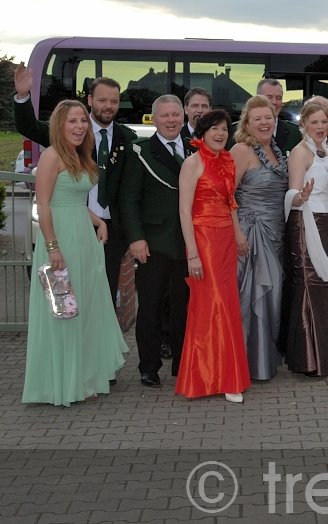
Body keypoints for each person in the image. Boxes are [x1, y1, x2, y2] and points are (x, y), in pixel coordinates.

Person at [22, 101, 129, 406]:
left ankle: (82, 379)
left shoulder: (80, 155)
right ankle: (62, 384)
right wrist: (53, 247)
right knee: (64, 310)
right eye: (72, 121)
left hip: (83, 239)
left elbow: (76, 201)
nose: (80, 126)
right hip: (61, 242)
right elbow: (44, 205)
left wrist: (98, 222)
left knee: (85, 308)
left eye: (83, 120)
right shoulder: (52, 156)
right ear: (60, 124)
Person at [13, 66, 135, 307]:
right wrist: (23, 96)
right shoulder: (67, 134)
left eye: (114, 101)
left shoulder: (128, 138)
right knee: (68, 299)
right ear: (90, 100)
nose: (108, 106)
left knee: (102, 298)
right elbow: (29, 127)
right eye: (102, 100)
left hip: (109, 232)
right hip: (69, 230)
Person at [176, 109, 250, 402]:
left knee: (227, 304)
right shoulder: (192, 163)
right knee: (212, 304)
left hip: (227, 240)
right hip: (203, 241)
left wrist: (239, 233)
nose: (220, 134)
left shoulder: (227, 160)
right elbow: (184, 211)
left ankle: (227, 376)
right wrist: (192, 254)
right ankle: (211, 377)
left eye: (224, 129)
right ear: (203, 132)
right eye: (214, 129)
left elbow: (230, 202)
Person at [120, 95, 193, 388]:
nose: (171, 120)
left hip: (187, 243)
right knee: (150, 307)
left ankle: (182, 364)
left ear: (183, 117)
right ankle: (148, 367)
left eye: (176, 114)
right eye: (165, 115)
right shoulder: (141, 151)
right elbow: (129, 199)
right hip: (153, 242)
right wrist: (136, 237)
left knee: (183, 307)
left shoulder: (194, 148)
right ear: (154, 119)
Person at [284, 100, 328, 377]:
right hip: (307, 222)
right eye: (314, 122)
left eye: (324, 122)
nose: (320, 126)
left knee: (327, 287)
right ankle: (309, 359)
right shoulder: (300, 152)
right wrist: (300, 197)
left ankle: (325, 356)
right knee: (311, 284)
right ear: (303, 124)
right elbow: (292, 192)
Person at [231, 95, 288, 380]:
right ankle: (245, 364)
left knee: (272, 297)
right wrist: (237, 232)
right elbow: (225, 194)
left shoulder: (276, 150)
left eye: (268, 117)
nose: (264, 123)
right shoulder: (241, 150)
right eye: (258, 119)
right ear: (247, 123)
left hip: (276, 234)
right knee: (252, 297)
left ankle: (262, 361)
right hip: (251, 235)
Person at [230, 78, 303, 154]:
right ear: (257, 98)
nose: (274, 102)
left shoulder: (294, 132)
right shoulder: (234, 131)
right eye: (269, 97)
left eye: (278, 98)